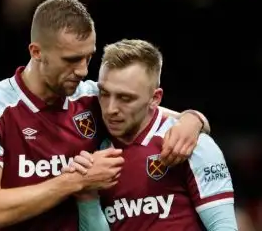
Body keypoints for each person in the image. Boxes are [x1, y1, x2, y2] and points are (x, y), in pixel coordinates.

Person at [0, 0, 210, 231]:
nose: (82, 70)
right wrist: (75, 180)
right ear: (36, 52)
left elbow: (168, 117)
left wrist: (193, 120)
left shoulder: (92, 96)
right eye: (71, 59)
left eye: (88, 57)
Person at [67, 39, 237, 231]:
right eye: (105, 94)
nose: (110, 109)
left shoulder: (190, 144)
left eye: (125, 98)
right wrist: (87, 198)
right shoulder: (95, 155)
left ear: (155, 98)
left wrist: (194, 118)